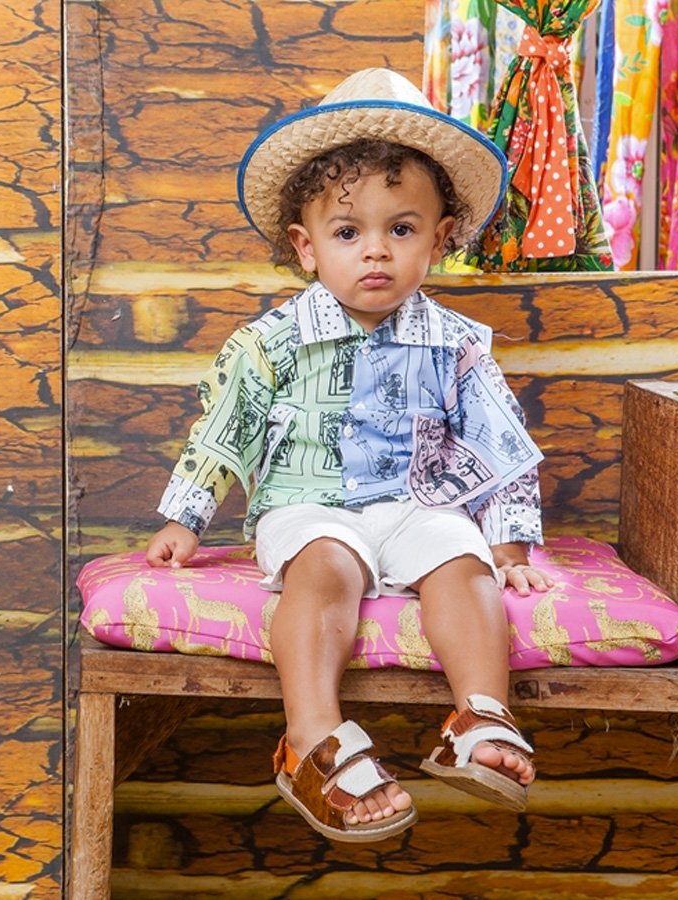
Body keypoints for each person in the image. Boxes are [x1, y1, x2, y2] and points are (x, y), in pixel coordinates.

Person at [146, 68, 553, 843]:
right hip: (306, 501)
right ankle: (310, 736)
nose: (376, 252)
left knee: (460, 562)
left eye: (401, 230)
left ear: (439, 238)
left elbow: (499, 445)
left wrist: (510, 546)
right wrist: (187, 519)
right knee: (324, 563)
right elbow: (224, 428)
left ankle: (480, 715)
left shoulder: (458, 344)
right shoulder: (274, 341)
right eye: (347, 232)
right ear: (305, 247)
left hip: (415, 498)